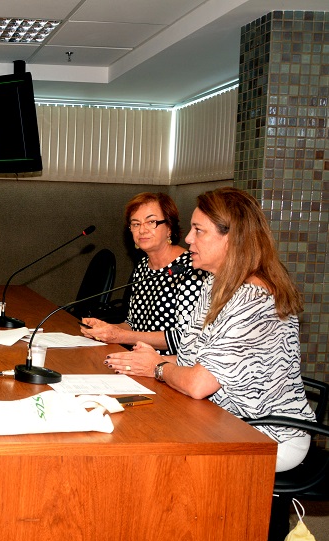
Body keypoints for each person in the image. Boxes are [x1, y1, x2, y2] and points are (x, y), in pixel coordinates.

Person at [103, 187, 315, 472]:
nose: (188, 239)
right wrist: (143, 360)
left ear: (232, 238)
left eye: (199, 230)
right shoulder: (214, 283)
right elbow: (190, 358)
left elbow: (198, 384)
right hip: (221, 417)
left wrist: (157, 367)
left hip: (268, 434)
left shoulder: (254, 299)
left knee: (148, 450)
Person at [80, 192, 206, 354]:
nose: (142, 230)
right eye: (136, 224)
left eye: (151, 222)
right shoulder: (142, 267)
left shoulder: (191, 268)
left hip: (170, 363)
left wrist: (120, 336)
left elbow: (183, 338)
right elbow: (133, 324)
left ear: (169, 227)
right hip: (138, 359)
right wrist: (106, 329)